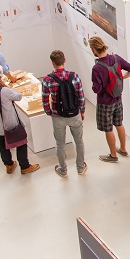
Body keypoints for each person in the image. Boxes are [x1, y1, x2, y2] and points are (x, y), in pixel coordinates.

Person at [0, 65, 40, 175]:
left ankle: (9, 164)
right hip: (9, 122)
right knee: (21, 141)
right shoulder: (3, 91)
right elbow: (18, 96)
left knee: (2, 141)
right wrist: (5, 85)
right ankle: (25, 166)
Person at [89, 36, 130, 162]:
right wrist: (121, 78)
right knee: (119, 124)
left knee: (108, 129)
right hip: (118, 99)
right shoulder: (116, 58)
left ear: (94, 49)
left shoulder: (97, 68)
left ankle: (113, 155)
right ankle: (123, 149)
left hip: (105, 103)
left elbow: (97, 89)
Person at [42, 50, 87, 178]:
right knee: (79, 141)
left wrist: (49, 112)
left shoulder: (47, 79)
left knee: (60, 144)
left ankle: (63, 169)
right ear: (64, 60)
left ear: (52, 62)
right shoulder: (75, 76)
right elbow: (81, 96)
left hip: (58, 116)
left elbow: (45, 99)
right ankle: (80, 167)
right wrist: (81, 111)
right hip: (75, 114)